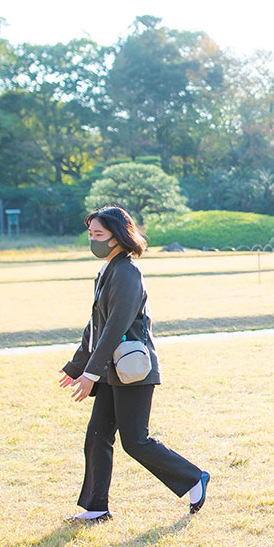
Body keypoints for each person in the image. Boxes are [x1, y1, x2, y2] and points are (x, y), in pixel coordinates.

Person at [59, 204, 210, 522]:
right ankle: (96, 507)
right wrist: (76, 366)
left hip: (133, 370)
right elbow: (95, 326)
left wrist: (89, 373)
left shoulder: (127, 272)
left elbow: (115, 327)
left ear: (117, 236)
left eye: (99, 234)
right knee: (98, 435)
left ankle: (194, 478)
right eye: (90, 233)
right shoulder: (108, 270)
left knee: (135, 440)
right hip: (114, 372)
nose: (93, 240)